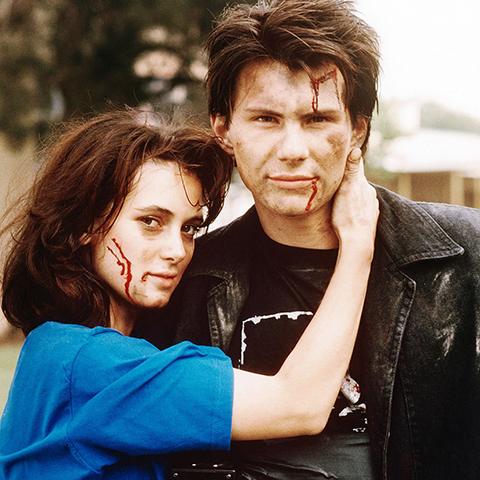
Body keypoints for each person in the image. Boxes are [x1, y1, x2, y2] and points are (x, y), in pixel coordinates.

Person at [143, 1, 480, 479]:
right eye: (265, 119)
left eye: (317, 119)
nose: (292, 151)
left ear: (357, 130)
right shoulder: (184, 280)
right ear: (224, 129)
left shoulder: (465, 255)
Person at [0, 109, 378, 479]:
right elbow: (299, 404)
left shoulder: (55, 347)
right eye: (151, 222)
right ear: (85, 224)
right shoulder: (92, 365)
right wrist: (358, 244)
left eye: (189, 228)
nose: (177, 251)